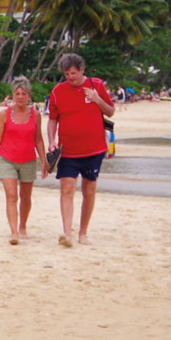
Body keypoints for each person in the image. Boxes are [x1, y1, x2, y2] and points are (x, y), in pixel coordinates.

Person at [46, 52, 114, 247]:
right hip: (67, 150)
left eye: (73, 73)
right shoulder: (58, 91)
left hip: (94, 149)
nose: (70, 77)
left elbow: (110, 110)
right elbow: (52, 119)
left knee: (89, 189)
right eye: (67, 74)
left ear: (82, 69)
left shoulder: (97, 85)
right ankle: (67, 232)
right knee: (67, 188)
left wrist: (96, 99)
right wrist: (51, 140)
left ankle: (83, 233)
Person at [0, 77, 48, 245]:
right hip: (7, 159)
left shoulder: (36, 116)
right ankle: (14, 232)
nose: (20, 97)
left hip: (28, 160)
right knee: (12, 196)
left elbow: (38, 140)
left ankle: (23, 226)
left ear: (29, 96)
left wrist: (44, 162)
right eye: (17, 94)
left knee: (26, 196)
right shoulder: (4, 115)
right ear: (12, 96)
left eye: (24, 94)